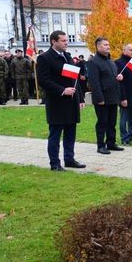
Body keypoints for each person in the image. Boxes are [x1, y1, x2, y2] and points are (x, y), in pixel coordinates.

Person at [36, 30, 85, 171]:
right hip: (57, 102)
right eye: (63, 41)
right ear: (53, 41)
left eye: (66, 40)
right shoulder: (45, 58)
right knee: (55, 134)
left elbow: (74, 79)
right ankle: (55, 163)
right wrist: (62, 90)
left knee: (70, 133)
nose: (66, 43)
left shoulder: (68, 56)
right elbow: (43, 80)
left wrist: (80, 98)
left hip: (71, 102)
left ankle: (69, 159)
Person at [87, 37, 124, 155]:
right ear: (98, 47)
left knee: (112, 122)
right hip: (102, 98)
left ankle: (111, 143)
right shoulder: (93, 61)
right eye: (105, 45)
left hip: (113, 96)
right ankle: (100, 145)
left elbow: (112, 77)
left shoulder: (111, 62)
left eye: (108, 44)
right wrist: (99, 98)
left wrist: (119, 77)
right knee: (102, 122)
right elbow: (94, 82)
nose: (108, 46)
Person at [115, 43, 132, 145]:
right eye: (130, 50)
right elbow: (119, 82)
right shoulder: (118, 63)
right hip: (125, 95)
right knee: (124, 119)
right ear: (124, 50)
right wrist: (123, 98)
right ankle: (124, 137)